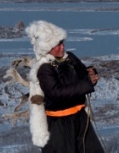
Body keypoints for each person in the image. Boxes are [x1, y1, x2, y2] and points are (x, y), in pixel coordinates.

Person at [25, 20, 105, 153]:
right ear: (46, 47)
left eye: (62, 42)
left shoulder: (70, 58)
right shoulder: (44, 69)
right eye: (57, 44)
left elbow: (82, 76)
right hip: (59, 125)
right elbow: (56, 93)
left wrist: (91, 76)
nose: (62, 47)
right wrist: (86, 84)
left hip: (80, 119)